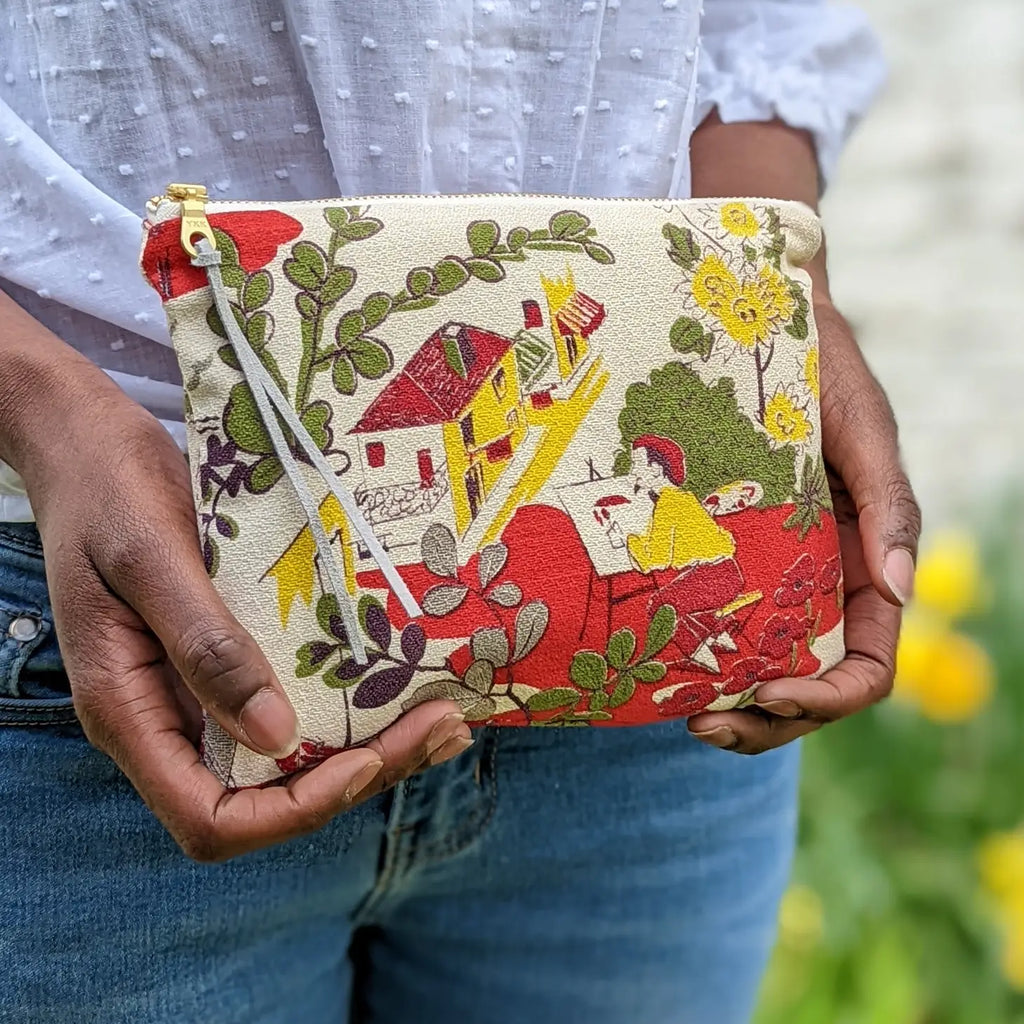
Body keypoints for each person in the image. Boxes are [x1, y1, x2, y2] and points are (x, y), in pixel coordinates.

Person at [0, 4, 921, 1022]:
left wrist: (791, 304)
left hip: (662, 732)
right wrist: (40, 406)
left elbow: (760, 32)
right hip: (134, 632)